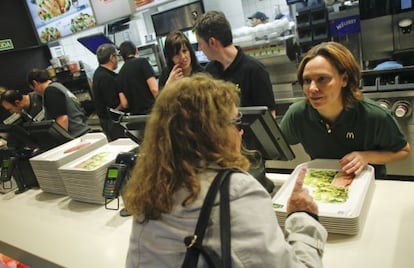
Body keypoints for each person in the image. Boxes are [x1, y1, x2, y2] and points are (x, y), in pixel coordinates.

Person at [123, 73, 327, 267]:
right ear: (213, 133)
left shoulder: (151, 186)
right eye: (236, 121)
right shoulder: (235, 191)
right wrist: (302, 218)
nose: (241, 131)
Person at [280, 41, 411, 179]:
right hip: (322, 185)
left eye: (322, 79)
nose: (312, 88)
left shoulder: (374, 115)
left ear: (344, 79)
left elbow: (403, 150)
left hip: (367, 184)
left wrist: (366, 156)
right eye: (307, 81)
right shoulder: (298, 114)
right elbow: (277, 147)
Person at [193, 10, 277, 118]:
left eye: (200, 44)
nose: (199, 49)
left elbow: (270, 117)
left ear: (212, 42)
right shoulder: (209, 72)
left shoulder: (255, 70)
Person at [26, 68, 90, 138]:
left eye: (33, 89)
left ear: (35, 83)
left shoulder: (50, 91)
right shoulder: (57, 86)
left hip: (76, 136)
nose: (35, 92)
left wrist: (60, 141)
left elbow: (62, 119)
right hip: (82, 130)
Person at [92, 43, 128, 141]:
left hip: (107, 121)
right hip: (113, 122)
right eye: (116, 56)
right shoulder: (106, 78)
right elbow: (115, 106)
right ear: (112, 57)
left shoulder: (98, 73)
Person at [117, 40, 158, 115]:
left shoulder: (120, 74)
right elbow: (154, 89)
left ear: (122, 57)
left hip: (135, 118)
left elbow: (124, 103)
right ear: (137, 51)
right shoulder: (143, 62)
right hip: (151, 113)